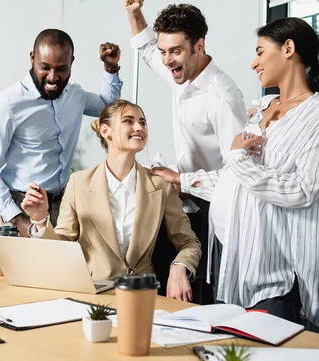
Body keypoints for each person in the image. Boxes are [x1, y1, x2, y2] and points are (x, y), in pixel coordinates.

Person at [153, 17, 319, 325]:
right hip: (231, 267)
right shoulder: (262, 105)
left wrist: (237, 157)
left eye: (259, 52)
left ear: (288, 49)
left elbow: (302, 190)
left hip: (275, 277)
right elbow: (236, 181)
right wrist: (181, 180)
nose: (254, 64)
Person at [125, 0, 246, 302]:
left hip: (217, 215)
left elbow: (240, 177)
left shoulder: (222, 98)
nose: (167, 60)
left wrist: (179, 178)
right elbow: (147, 49)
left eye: (175, 51)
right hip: (187, 207)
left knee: (204, 301)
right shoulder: (180, 73)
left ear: (199, 46)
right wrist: (135, 13)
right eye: (165, 51)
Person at [21, 99, 201, 301]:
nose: (139, 127)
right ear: (106, 131)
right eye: (128, 121)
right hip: (92, 296)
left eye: (142, 122)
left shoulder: (160, 185)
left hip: (143, 296)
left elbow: (189, 242)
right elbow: (62, 248)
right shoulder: (79, 183)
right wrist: (39, 219)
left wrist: (179, 267)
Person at [0, 29, 123, 237]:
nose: (52, 78)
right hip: (21, 204)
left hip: (63, 204)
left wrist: (110, 68)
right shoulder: (8, 103)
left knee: (61, 269)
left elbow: (108, 108)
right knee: (22, 269)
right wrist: (16, 218)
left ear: (72, 62)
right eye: (45, 68)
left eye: (61, 69)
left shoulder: (75, 95)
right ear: (32, 58)